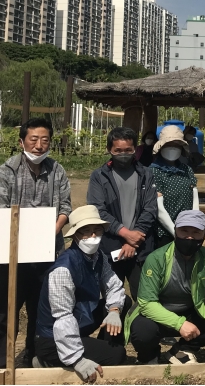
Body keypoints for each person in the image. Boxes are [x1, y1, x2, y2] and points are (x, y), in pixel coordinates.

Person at [0, 118, 72, 376]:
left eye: (45, 140)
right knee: (4, 310)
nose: (39, 145)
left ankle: (34, 358)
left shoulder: (57, 171)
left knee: (40, 310)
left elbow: (65, 206)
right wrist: (22, 236)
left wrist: (53, 229)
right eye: (33, 139)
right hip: (10, 256)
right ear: (22, 142)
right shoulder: (6, 171)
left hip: (46, 253)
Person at [34, 206, 128, 380]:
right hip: (52, 338)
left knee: (124, 302)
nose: (92, 236)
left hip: (79, 320)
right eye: (85, 232)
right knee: (118, 355)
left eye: (96, 230)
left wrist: (114, 310)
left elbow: (113, 284)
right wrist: (76, 359)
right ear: (75, 235)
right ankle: (50, 360)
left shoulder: (98, 256)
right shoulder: (63, 269)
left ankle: (101, 348)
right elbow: (63, 317)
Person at [127, 210, 205, 365]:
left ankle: (182, 349)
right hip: (158, 314)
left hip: (191, 311)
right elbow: (146, 302)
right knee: (143, 331)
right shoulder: (156, 259)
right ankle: (149, 355)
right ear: (175, 231)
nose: (189, 237)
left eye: (196, 232)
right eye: (184, 231)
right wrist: (179, 323)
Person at [87, 127, 158, 301]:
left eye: (128, 150)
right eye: (118, 150)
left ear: (135, 149)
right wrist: (126, 234)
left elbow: (150, 209)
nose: (123, 154)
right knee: (113, 300)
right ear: (109, 150)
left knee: (144, 300)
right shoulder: (99, 176)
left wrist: (133, 241)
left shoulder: (146, 174)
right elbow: (98, 210)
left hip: (140, 249)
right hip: (111, 248)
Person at [150, 125, 198, 248]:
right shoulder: (153, 171)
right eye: (168, 145)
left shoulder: (187, 170)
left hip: (188, 230)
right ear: (161, 147)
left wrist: (195, 223)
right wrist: (175, 231)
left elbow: (194, 195)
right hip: (164, 232)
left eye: (176, 146)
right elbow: (158, 208)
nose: (172, 149)